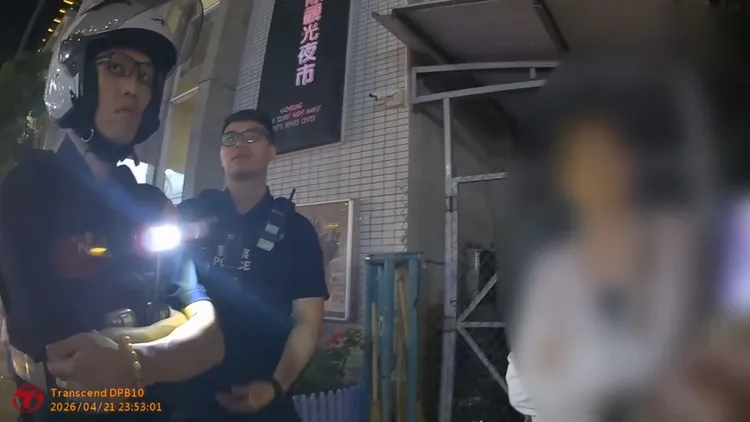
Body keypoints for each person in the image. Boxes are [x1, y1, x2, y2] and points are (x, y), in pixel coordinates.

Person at [0, 1, 224, 420]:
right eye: (117, 67)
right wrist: (170, 328)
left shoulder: (152, 204)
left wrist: (132, 362)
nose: (134, 88)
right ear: (75, 76)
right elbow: (72, 363)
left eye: (146, 76)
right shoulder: (27, 190)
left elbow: (212, 340)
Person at [511, 59, 701, 422]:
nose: (596, 175)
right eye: (580, 162)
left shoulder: (675, 243)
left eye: (609, 156)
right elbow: (522, 385)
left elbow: (675, 362)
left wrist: (570, 359)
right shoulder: (554, 267)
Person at [176, 109, 329, 421]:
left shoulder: (296, 230)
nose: (239, 144)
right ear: (221, 153)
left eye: (252, 136)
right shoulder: (190, 214)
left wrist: (276, 386)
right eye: (230, 138)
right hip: (186, 396)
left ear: (272, 151)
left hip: (263, 394)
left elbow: (308, 321)